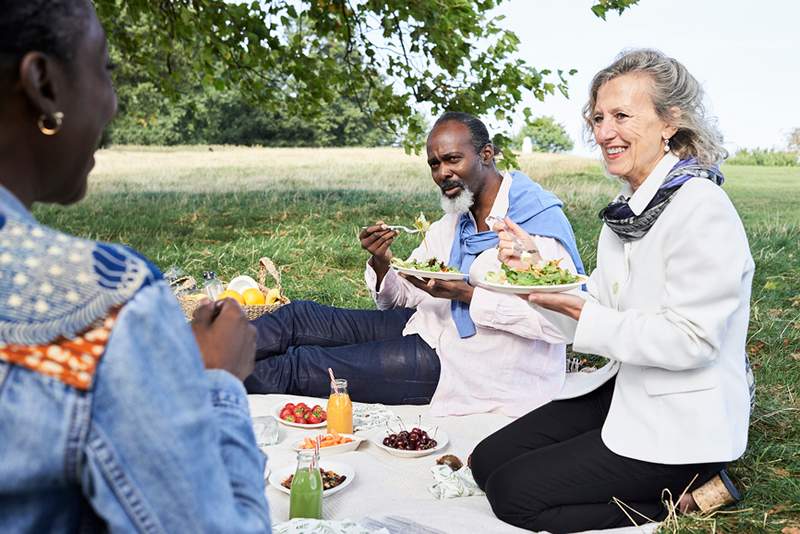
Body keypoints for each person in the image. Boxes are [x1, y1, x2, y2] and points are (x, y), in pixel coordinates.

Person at [0, 1, 270, 532]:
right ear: (43, 84)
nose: (112, 104)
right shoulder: (102, 306)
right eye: (104, 69)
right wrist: (217, 382)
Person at [470, 49, 754, 533]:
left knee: (512, 494)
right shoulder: (628, 210)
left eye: (622, 116)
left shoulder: (702, 208)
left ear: (670, 122)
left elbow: (693, 340)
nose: (604, 133)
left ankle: (688, 493)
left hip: (682, 419)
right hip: (630, 390)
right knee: (486, 460)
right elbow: (596, 304)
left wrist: (585, 315)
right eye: (598, 117)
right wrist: (537, 275)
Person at [246, 112, 585, 416]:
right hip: (426, 324)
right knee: (298, 316)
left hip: (478, 365)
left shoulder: (536, 227)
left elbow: (563, 325)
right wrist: (382, 262)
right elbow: (402, 298)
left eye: (452, 159)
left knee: (304, 366)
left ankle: (201, 383)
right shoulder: (457, 218)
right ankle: (203, 355)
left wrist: (467, 295)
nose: (442, 173)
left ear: (486, 154)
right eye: (434, 164)